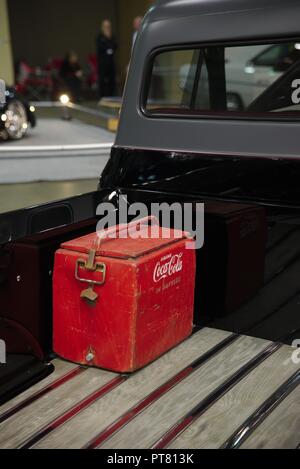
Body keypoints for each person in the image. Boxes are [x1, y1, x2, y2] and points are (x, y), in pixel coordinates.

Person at [96, 20, 117, 98]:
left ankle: (111, 96)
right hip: (102, 62)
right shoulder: (100, 36)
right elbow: (100, 47)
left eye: (108, 26)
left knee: (112, 80)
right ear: (102, 27)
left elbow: (115, 45)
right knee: (102, 80)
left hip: (111, 61)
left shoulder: (112, 35)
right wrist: (108, 48)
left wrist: (110, 47)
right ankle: (102, 97)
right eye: (105, 26)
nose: (107, 28)